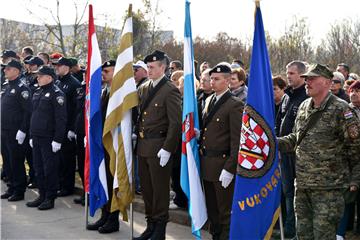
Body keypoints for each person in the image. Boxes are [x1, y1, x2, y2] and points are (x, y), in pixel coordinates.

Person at [278, 64, 360, 239]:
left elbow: (355, 149)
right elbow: (296, 138)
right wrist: (272, 143)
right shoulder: (304, 106)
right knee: (303, 235)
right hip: (302, 185)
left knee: (323, 236)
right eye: (306, 78)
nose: (307, 82)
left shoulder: (342, 109)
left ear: (327, 82)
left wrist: (355, 180)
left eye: (312, 78)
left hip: (328, 189)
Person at [134, 50, 182, 240]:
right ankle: (150, 225)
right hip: (143, 145)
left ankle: (160, 229)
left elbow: (175, 122)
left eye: (152, 67)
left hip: (159, 147)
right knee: (147, 189)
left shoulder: (169, 89)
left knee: (160, 190)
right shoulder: (145, 87)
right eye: (148, 67)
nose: (149, 70)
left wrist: (168, 148)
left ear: (163, 67)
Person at [200, 63, 244, 240]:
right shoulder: (210, 100)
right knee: (212, 211)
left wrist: (230, 168)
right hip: (207, 164)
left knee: (225, 212)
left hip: (222, 165)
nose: (212, 82)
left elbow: (237, 141)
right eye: (211, 78)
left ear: (227, 81)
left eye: (217, 79)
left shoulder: (235, 105)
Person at [26, 66, 67, 210]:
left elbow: (61, 119)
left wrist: (58, 139)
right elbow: (34, 115)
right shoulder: (37, 91)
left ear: (49, 78)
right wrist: (31, 134)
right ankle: (42, 195)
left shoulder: (57, 94)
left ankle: (50, 198)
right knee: (38, 168)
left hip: (49, 138)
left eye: (40, 76)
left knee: (49, 169)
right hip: (37, 136)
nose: (37, 78)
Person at [275, 60, 308, 238]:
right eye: (287, 73)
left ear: (302, 75)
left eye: (292, 73)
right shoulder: (288, 95)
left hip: (299, 153)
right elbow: (281, 120)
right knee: (287, 191)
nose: (288, 76)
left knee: (297, 193)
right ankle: (288, 228)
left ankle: (295, 229)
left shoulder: (306, 96)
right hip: (285, 151)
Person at [86, 60, 120, 233]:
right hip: (102, 144)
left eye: (107, 71)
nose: (103, 74)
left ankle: (113, 219)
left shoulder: (121, 92)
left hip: (114, 144)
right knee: (103, 179)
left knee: (114, 182)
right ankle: (105, 215)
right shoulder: (104, 91)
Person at [0, 60, 32, 202]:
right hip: (4, 130)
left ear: (17, 71)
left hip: (16, 132)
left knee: (16, 161)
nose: (5, 71)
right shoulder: (7, 86)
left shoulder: (22, 88)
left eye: (8, 69)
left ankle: (19, 190)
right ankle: (12, 186)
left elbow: (28, 112)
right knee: (7, 161)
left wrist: (23, 130)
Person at [54, 57, 82, 196]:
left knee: (67, 159)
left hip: (68, 127)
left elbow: (76, 108)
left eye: (59, 65)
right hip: (58, 125)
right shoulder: (58, 81)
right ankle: (60, 183)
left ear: (67, 67)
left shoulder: (74, 84)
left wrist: (72, 128)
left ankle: (67, 186)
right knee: (59, 158)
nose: (56, 68)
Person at [132, 60, 149, 195]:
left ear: (145, 71)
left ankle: (140, 185)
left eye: (137, 70)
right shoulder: (136, 85)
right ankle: (138, 184)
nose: (134, 72)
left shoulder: (145, 85)